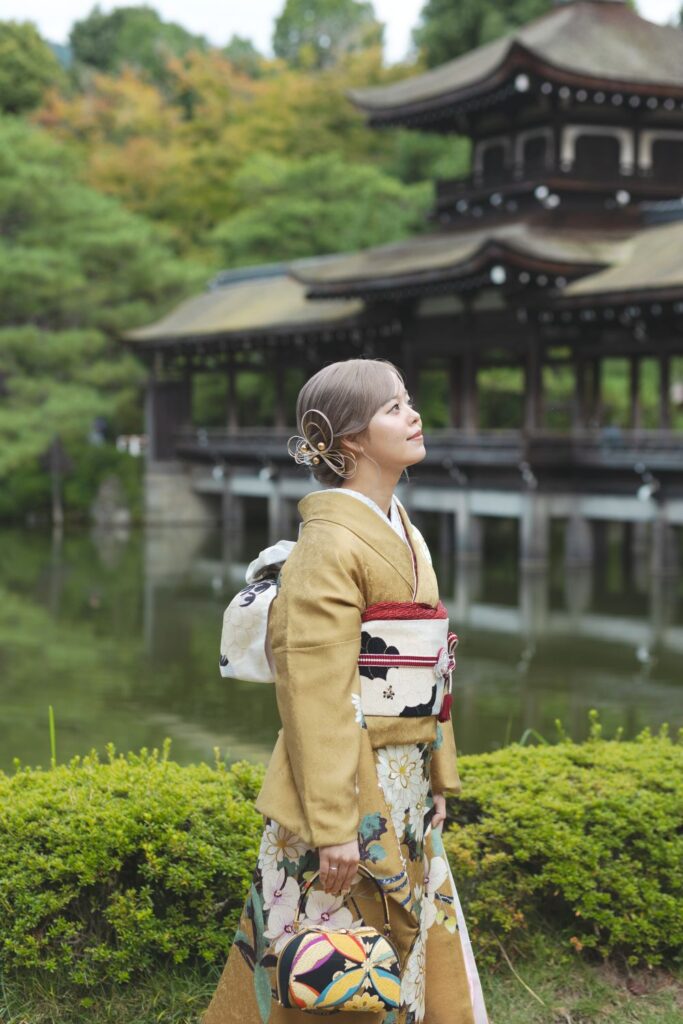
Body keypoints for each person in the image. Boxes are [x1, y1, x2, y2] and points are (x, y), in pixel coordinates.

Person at [202, 358, 488, 1024]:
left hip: (404, 778)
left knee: (392, 957)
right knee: (325, 963)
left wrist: (436, 772)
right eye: (394, 408)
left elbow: (433, 664)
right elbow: (316, 692)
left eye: (407, 401)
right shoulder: (328, 544)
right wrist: (334, 828)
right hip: (342, 783)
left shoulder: (403, 530)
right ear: (351, 439)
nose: (413, 415)